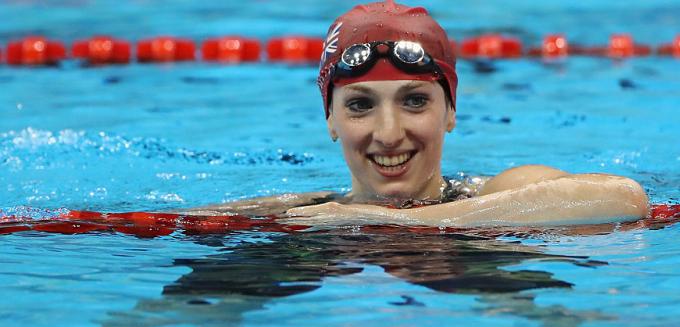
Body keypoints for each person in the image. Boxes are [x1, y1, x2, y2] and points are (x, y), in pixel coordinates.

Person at [186, 0, 649, 227]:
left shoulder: (493, 194)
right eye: (361, 105)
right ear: (330, 120)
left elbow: (625, 199)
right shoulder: (303, 213)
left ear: (450, 110)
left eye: (414, 100)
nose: (389, 134)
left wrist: (393, 221)